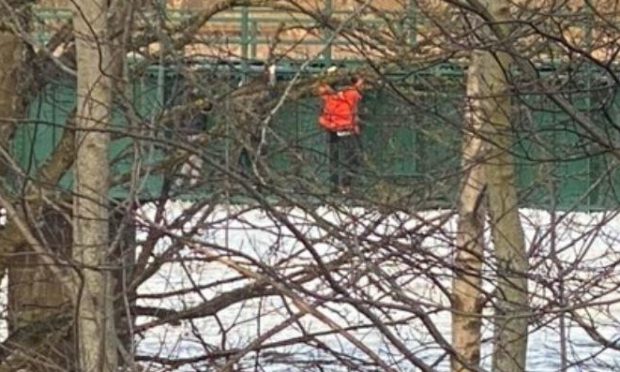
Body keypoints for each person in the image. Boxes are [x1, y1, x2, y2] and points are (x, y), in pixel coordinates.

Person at [318, 76, 364, 193]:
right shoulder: (350, 95)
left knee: (336, 158)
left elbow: (322, 118)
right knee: (351, 158)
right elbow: (357, 90)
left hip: (335, 130)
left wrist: (330, 125)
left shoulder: (327, 98)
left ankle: (337, 185)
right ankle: (345, 185)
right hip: (346, 129)